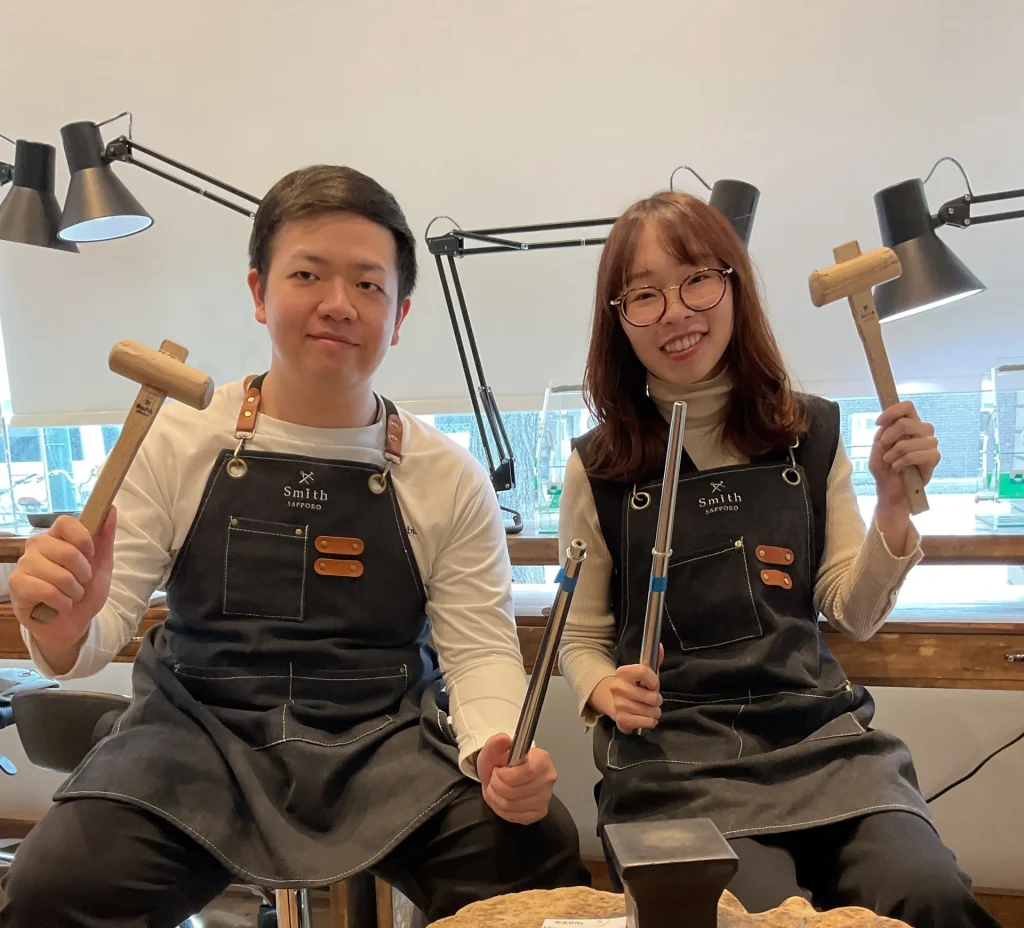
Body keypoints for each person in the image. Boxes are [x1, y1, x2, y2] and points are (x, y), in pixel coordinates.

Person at [3, 165, 590, 927]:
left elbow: (478, 650)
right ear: (259, 292)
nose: (338, 304)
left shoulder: (448, 474)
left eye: (368, 285)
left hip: (384, 738)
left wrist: (497, 745)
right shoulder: (177, 437)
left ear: (399, 315)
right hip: (195, 732)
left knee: (532, 853)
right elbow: (93, 630)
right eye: (308, 274)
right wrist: (62, 622)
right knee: (58, 887)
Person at [556, 190, 1001, 928]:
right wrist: (604, 688)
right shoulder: (599, 465)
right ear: (618, 318)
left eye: (697, 280)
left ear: (734, 285)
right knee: (752, 914)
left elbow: (853, 612)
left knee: (929, 896)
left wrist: (893, 506)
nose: (675, 312)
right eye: (644, 294)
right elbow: (579, 636)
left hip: (821, 743)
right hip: (676, 760)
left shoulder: (808, 431)